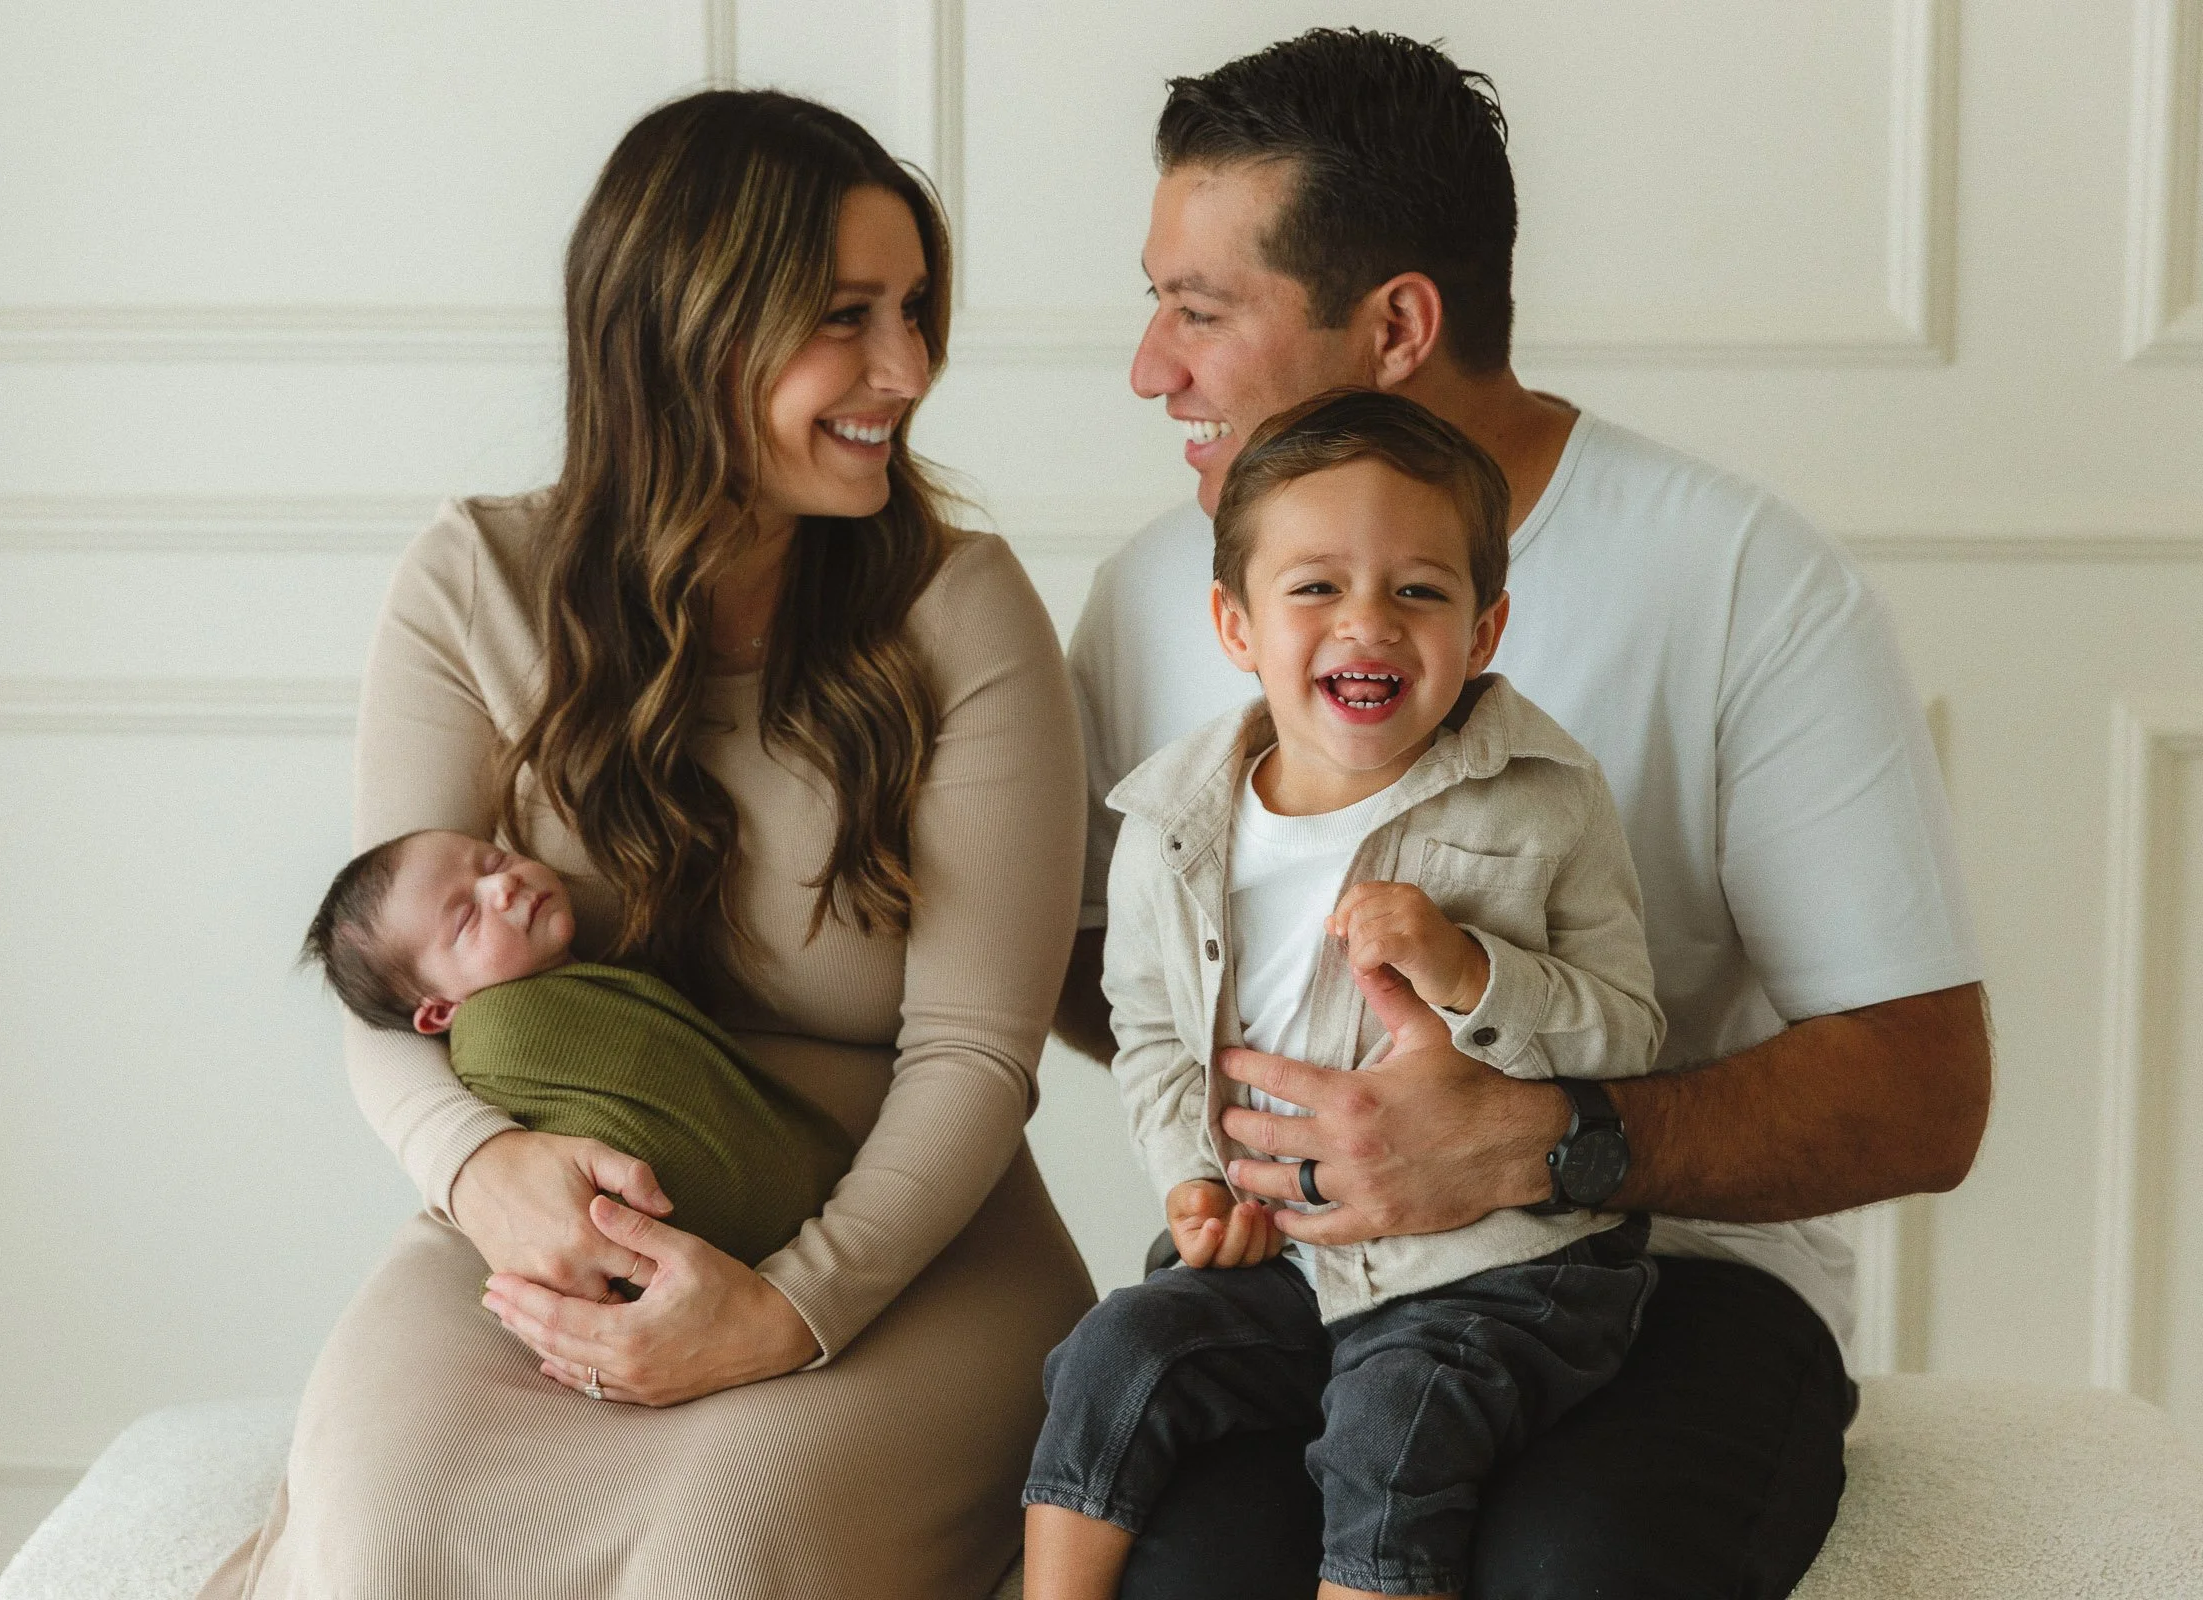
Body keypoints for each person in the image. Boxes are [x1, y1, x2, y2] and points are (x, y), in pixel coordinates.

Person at [1055, 30, 1991, 1600]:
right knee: (1189, 1569)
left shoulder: (1742, 579)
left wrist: (1541, 1144)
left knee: (1568, 1572)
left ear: (1400, 324)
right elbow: (1094, 962)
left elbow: (1924, 1091)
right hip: (1301, 1270)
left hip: (1674, 1285)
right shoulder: (1170, 590)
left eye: (1199, 311)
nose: (1153, 366)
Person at [201, 88, 1094, 1599]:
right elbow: (388, 990)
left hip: (905, 1255)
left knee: (720, 1548)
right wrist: (483, 1174)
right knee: (384, 1539)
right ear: (689, 332)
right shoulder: (470, 585)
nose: (909, 370)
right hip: (550, 1240)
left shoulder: (964, 612)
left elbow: (973, 1057)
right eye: (846, 318)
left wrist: (788, 1310)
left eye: (916, 310)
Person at [1023, 390, 1664, 1600]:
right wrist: (1195, 1182)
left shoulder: (1547, 800)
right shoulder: (1169, 823)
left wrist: (1472, 973)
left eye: (1420, 591)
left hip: (1496, 1264)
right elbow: (1154, 1030)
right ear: (1235, 622)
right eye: (1316, 587)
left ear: (1485, 630)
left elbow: (1628, 1029)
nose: (1368, 622)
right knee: (1114, 1354)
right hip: (1285, 1252)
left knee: (1393, 1425)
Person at [299, 827, 856, 1268]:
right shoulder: (500, 1027)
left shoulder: (586, 989)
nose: (503, 886)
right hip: (675, 1248)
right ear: (441, 1011)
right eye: (468, 917)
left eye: (493, 861)